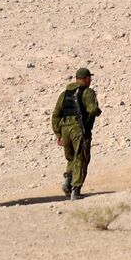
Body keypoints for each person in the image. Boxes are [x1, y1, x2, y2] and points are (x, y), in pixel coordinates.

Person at [52, 67, 102, 200]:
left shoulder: (64, 94)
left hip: (64, 129)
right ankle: (76, 190)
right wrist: (97, 111)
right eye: (89, 78)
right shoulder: (88, 92)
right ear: (86, 79)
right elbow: (92, 109)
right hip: (79, 129)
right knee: (81, 158)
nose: (90, 80)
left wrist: (58, 134)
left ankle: (67, 182)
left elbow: (56, 115)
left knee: (71, 158)